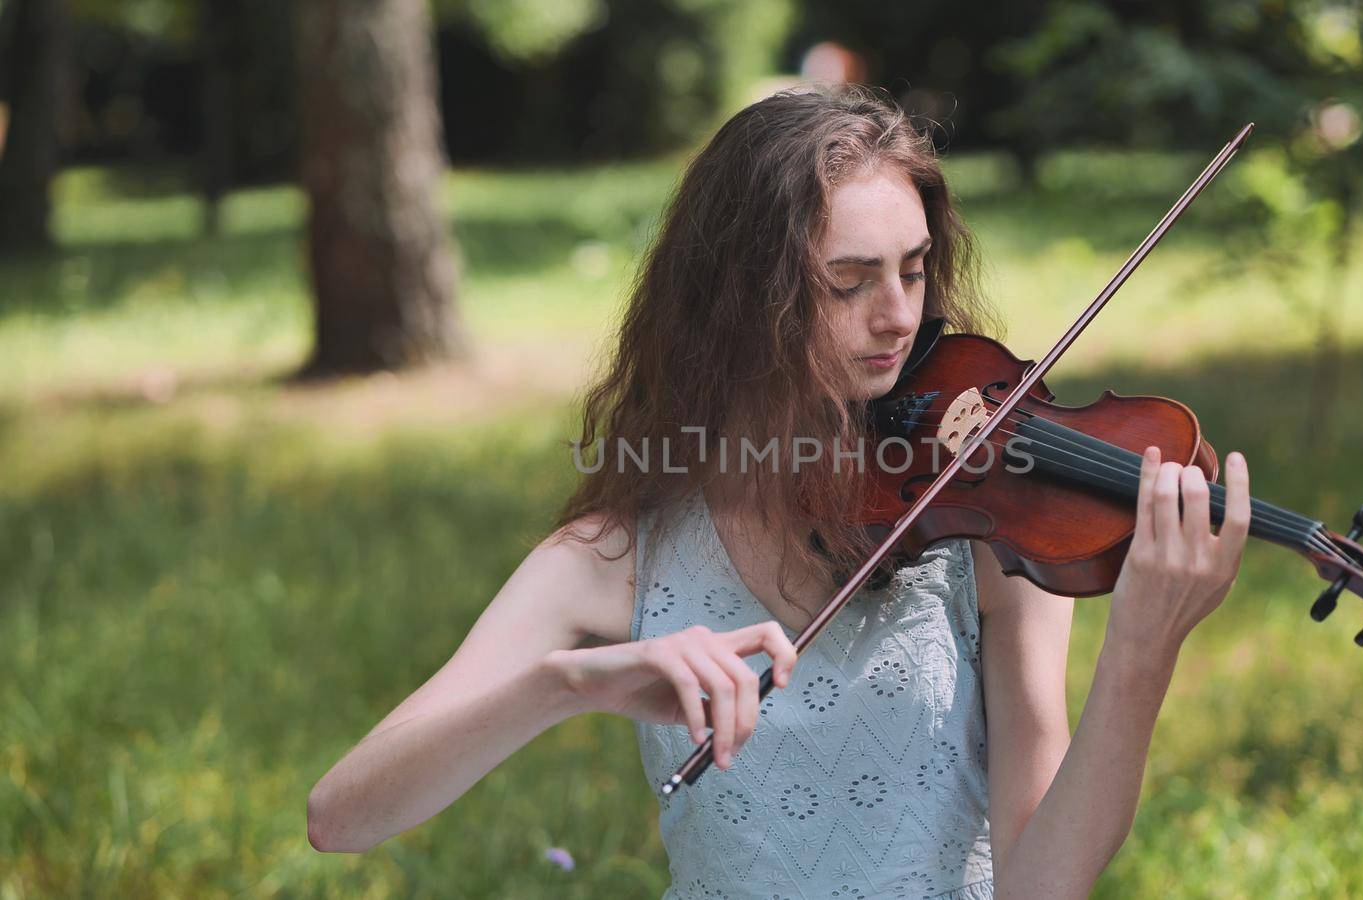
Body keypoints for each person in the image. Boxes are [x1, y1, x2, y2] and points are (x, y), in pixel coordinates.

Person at [305, 85, 1253, 899]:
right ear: (741, 303)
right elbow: (342, 815)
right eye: (848, 283)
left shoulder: (985, 526)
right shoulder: (618, 556)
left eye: (916, 271)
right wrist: (565, 686)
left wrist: (1141, 650)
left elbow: (1043, 886)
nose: (898, 317)